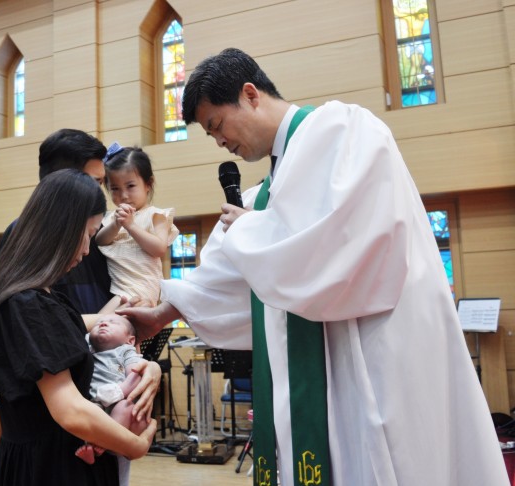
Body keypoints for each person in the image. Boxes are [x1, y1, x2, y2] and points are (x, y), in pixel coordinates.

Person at [118, 47, 508, 486]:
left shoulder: (343, 129)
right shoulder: (271, 187)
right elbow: (232, 277)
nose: (220, 142)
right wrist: (161, 312)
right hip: (331, 367)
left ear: (250, 95)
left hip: (379, 353)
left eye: (216, 126)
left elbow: (342, 246)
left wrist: (251, 232)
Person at [0, 169, 158, 486]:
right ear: (59, 229)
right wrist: (136, 446)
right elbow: (70, 411)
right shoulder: (27, 303)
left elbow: (89, 324)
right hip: (53, 467)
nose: (88, 249)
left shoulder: (40, 297)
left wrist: (147, 363)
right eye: (86, 234)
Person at [0, 128, 117, 315]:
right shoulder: (21, 235)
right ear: (63, 181)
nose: (99, 193)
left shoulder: (103, 230)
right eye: (94, 182)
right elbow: (32, 322)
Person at [96, 145, 178, 306]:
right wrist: (116, 224)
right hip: (120, 288)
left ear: (148, 184)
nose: (124, 195)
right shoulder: (112, 217)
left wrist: (131, 226)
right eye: (115, 189)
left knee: (101, 322)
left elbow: (159, 248)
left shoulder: (156, 215)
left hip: (142, 288)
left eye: (131, 186)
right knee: (107, 325)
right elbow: (99, 241)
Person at [76, 314, 150, 486]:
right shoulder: (88, 347)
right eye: (99, 324)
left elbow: (136, 375)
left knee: (125, 407)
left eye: (113, 323)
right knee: (85, 414)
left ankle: (107, 442)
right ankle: (93, 448)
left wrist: (118, 392)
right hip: (95, 402)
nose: (103, 323)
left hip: (118, 400)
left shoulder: (125, 351)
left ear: (129, 340)